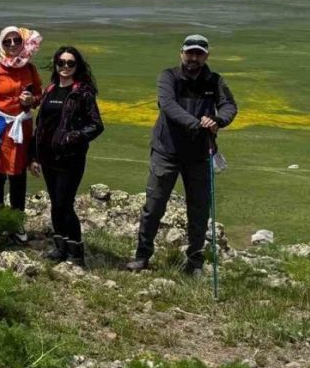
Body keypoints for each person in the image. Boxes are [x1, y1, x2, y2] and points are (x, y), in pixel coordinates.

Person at [126, 35, 238, 276]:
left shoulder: (215, 81)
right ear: (181, 54)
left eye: (199, 54)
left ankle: (195, 262)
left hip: (199, 155)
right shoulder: (169, 77)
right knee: (154, 206)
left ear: (206, 56)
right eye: (190, 53)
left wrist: (218, 120)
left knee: (199, 210)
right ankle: (142, 255)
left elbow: (229, 106)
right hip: (167, 151)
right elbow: (168, 105)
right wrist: (198, 124)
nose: (194, 58)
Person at [30, 46, 104, 266]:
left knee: (64, 203)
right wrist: (33, 156)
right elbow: (41, 124)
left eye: (70, 63)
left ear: (77, 66)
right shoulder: (51, 89)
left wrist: (73, 137)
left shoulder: (82, 92)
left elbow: (96, 125)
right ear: (55, 64)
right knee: (55, 203)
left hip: (70, 158)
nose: (65, 67)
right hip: (47, 157)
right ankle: (60, 247)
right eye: (61, 62)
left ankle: (76, 251)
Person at [0, 26, 42, 242]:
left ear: (23, 43)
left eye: (17, 40)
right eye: (8, 42)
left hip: (21, 129)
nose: (13, 45)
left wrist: (30, 101)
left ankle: (16, 222)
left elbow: (38, 97)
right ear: (1, 45)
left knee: (18, 177)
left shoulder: (30, 70)